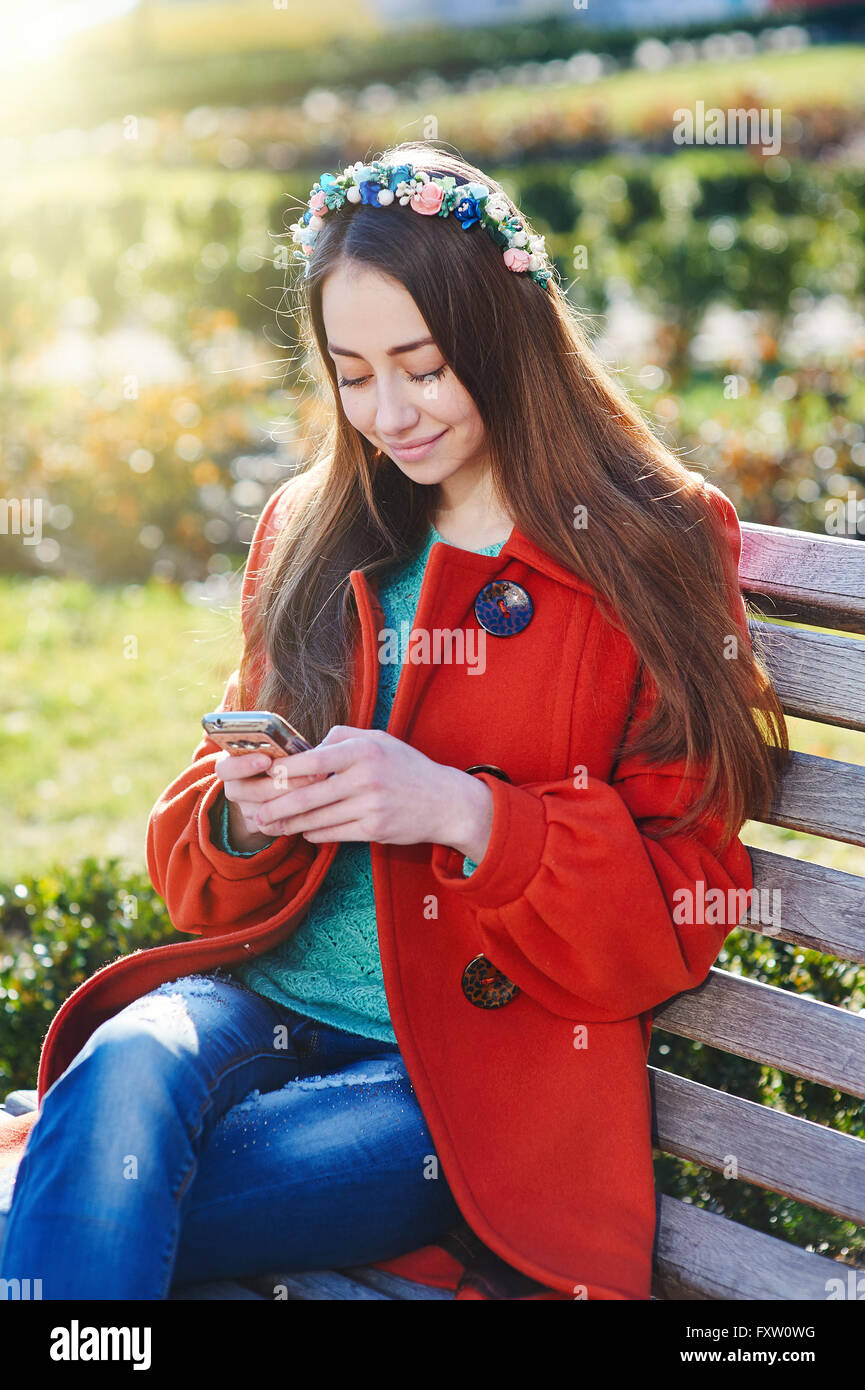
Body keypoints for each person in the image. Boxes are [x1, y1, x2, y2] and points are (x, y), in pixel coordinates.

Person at [0, 140, 788, 1301]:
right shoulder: (314, 523)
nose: (388, 413)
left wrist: (467, 813)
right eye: (353, 373)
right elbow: (194, 875)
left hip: (464, 1075)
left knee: (88, 1191)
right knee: (123, 1066)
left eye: (423, 367)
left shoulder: (648, 540)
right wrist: (245, 811)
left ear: (504, 334)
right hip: (259, 999)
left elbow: (688, 898)